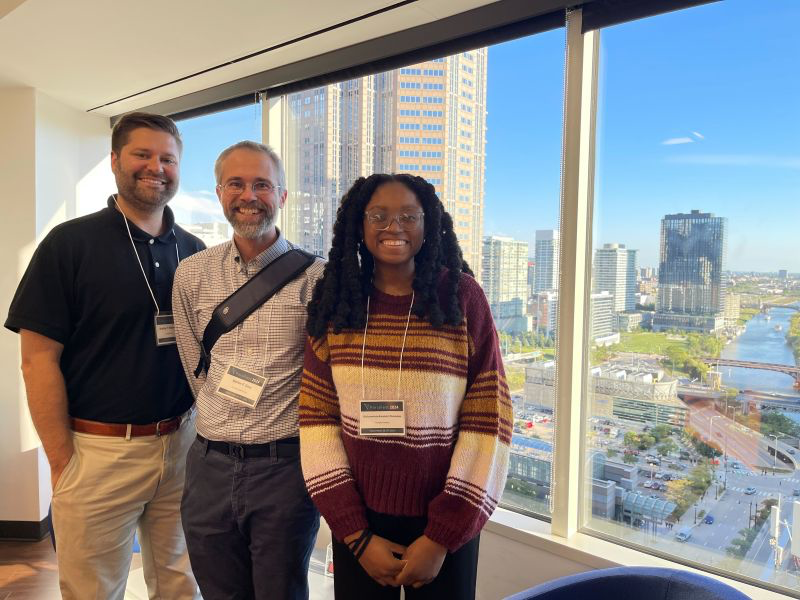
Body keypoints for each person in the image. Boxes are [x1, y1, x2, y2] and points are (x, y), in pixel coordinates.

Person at [5, 112, 205, 599]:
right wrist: (61, 460)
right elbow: (37, 360)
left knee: (183, 582)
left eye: (168, 158)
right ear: (115, 160)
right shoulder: (69, 244)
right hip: (98, 451)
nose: (155, 167)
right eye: (142, 154)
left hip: (181, 443)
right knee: (94, 590)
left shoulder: (196, 252)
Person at [299, 173, 512, 599]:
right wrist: (355, 534)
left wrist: (442, 536)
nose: (393, 226)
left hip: (446, 523)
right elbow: (316, 421)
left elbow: (490, 418)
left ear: (428, 225)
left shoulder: (461, 299)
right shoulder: (336, 304)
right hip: (361, 520)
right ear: (358, 226)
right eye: (378, 215)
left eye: (409, 216)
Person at [173, 140, 325, 599]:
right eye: (236, 183)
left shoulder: (318, 277)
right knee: (219, 592)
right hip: (208, 468)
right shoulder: (192, 273)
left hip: (284, 470)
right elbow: (193, 364)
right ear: (219, 193)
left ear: (281, 196)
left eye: (262, 184)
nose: (249, 195)